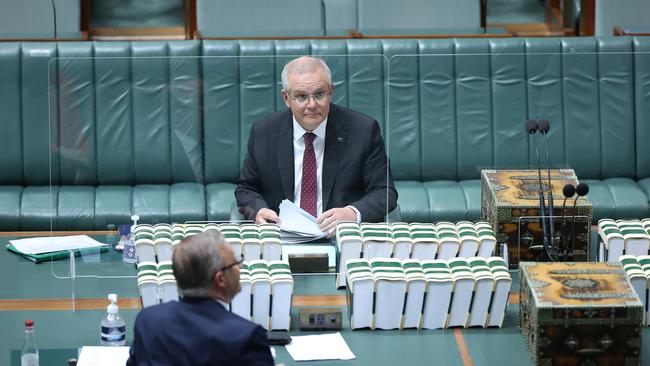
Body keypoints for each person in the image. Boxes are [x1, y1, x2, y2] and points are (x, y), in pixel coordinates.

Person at [235, 56, 398, 233]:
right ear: (286, 98)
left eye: (319, 94)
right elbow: (246, 189)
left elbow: (385, 192)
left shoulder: (363, 130)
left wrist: (352, 213)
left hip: (342, 236)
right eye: (301, 96)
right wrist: (259, 211)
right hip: (281, 235)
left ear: (331, 91)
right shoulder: (264, 132)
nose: (312, 105)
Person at [126, 230, 274, 366]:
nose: (239, 268)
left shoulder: (147, 321)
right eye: (235, 263)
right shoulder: (247, 336)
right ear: (220, 279)